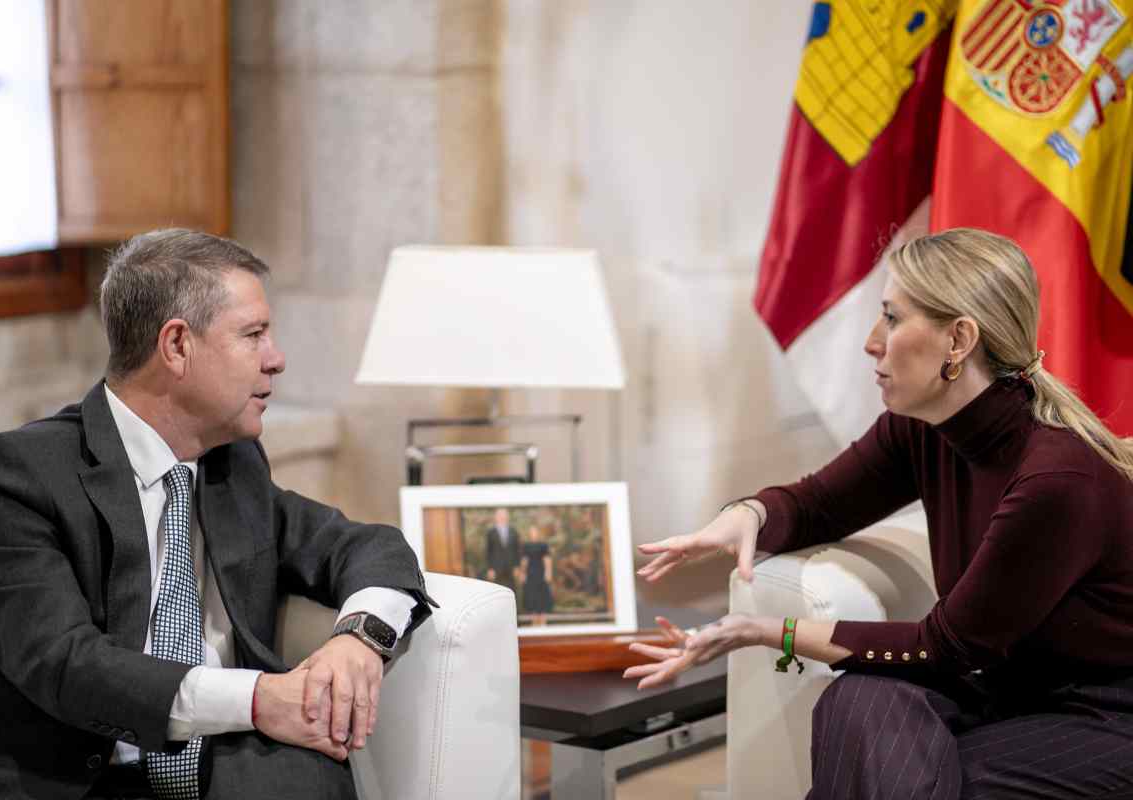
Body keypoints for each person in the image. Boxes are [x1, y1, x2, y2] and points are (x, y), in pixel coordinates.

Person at [625, 228, 1133, 799]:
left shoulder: (1056, 478)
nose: (872, 342)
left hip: (1103, 716)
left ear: (959, 340)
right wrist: (747, 515)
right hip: (1000, 692)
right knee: (857, 698)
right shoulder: (922, 429)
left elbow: (946, 648)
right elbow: (818, 503)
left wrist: (764, 631)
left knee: (938, 777)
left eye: (892, 318)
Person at [0, 229, 435, 799]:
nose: (277, 359)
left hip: (212, 763)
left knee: (311, 779)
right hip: (57, 777)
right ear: (176, 346)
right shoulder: (6, 480)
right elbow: (68, 667)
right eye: (254, 334)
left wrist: (358, 640)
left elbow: (362, 546)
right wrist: (261, 699)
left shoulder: (231, 465)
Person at [519, 524, 554, 626]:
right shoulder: (526, 546)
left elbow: (547, 560)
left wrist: (548, 573)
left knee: (542, 599)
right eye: (531, 532)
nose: (533, 534)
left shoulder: (543, 545)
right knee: (532, 598)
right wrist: (523, 573)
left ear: (538, 533)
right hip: (530, 574)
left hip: (541, 574)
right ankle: (534, 624)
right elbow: (524, 561)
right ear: (530, 534)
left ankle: (543, 623)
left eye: (535, 532)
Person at [484, 507, 521, 592]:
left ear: (508, 517)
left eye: (504, 515)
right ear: (496, 517)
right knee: (497, 591)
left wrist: (517, 567)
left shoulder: (514, 532)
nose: (502, 517)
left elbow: (517, 551)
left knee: (511, 591)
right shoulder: (491, 533)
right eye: (500, 515)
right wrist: (490, 569)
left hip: (511, 568)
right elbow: (488, 552)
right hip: (496, 568)